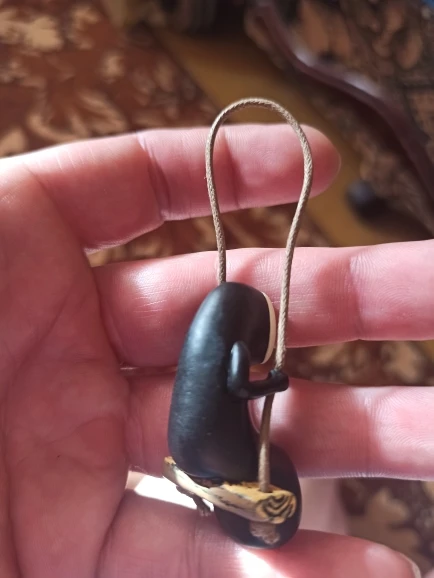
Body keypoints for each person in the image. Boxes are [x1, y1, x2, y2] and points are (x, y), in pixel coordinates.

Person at [0, 123, 431, 578]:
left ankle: (259, 503)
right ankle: (267, 504)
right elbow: (235, 383)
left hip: (203, 451)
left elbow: (233, 382)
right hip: (206, 453)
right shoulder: (230, 363)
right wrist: (267, 384)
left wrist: (265, 385)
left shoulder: (225, 357)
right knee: (291, 488)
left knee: (285, 484)